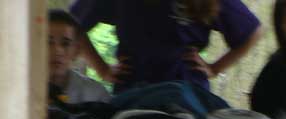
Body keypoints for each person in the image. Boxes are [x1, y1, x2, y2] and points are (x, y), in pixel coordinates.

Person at [69, 0, 262, 93]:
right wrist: (102, 69)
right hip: (132, 93)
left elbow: (253, 31)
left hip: (188, 94)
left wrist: (215, 68)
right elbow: (72, 23)